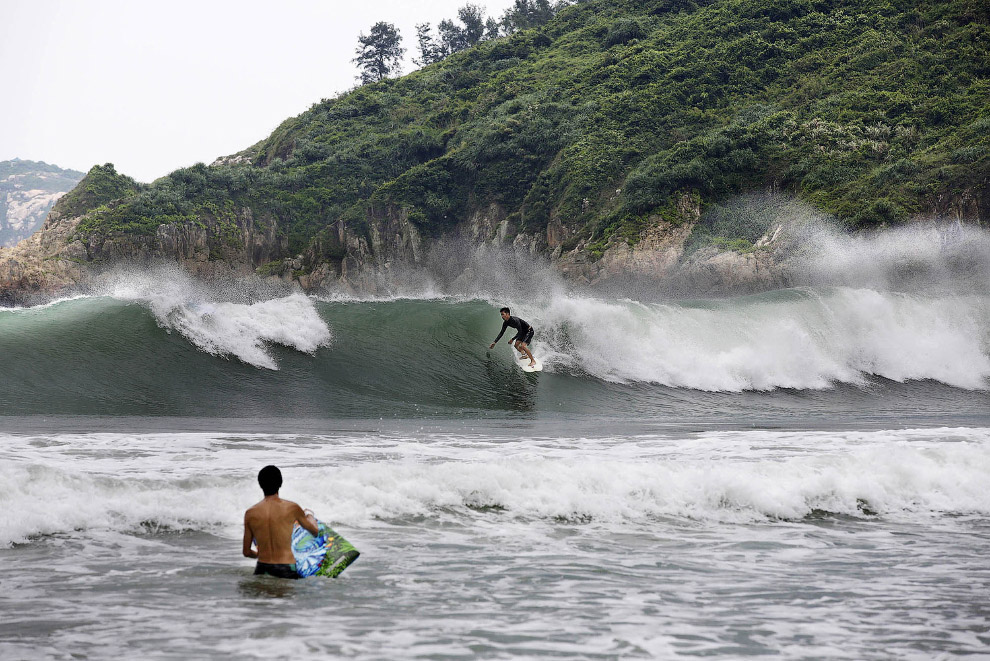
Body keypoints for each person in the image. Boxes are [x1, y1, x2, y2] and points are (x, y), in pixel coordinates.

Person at [243, 465, 319, 579]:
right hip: (286, 567)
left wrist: (259, 554)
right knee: (284, 596)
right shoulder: (292, 508)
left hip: (262, 568)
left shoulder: (250, 513)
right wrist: (310, 516)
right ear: (280, 483)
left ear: (260, 485)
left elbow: (247, 552)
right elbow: (314, 531)